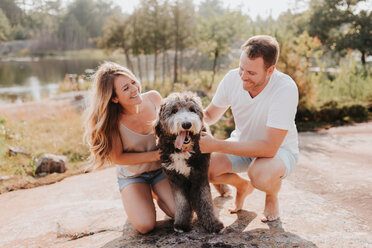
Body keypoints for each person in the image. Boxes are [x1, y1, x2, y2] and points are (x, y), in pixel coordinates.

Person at [199, 35, 299, 222]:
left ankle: (271, 195)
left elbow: (269, 148)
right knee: (205, 169)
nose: (244, 76)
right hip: (242, 144)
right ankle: (242, 186)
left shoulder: (285, 88)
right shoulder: (232, 78)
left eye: (251, 73)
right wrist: (185, 115)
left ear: (270, 70)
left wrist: (216, 145)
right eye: (241, 69)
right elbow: (210, 115)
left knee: (259, 174)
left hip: (279, 152)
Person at [84, 61, 175, 234]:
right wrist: (156, 155)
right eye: (126, 88)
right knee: (145, 226)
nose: (134, 89)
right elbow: (118, 158)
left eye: (133, 82)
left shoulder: (154, 98)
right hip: (133, 176)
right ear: (114, 98)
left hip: (161, 171)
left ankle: (156, 194)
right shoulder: (112, 121)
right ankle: (138, 196)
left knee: (181, 214)